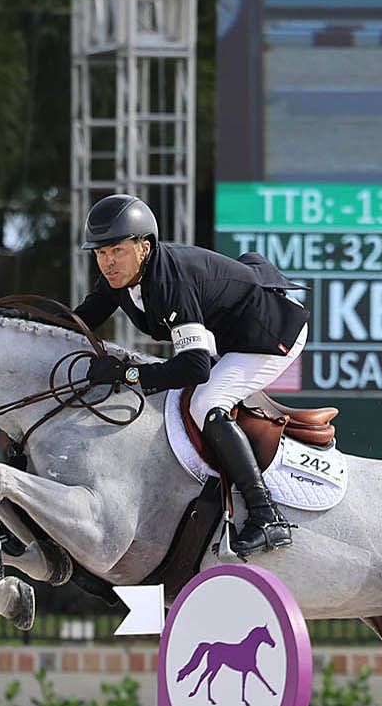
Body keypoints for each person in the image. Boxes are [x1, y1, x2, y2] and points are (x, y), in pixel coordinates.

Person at [72, 194, 310, 556]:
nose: (107, 263)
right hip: (230, 334)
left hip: (272, 333)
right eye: (100, 253)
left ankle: (267, 515)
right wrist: (20, 324)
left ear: (144, 247)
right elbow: (79, 320)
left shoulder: (171, 283)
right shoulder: (121, 278)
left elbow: (194, 367)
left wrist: (125, 375)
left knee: (206, 402)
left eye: (116, 251)